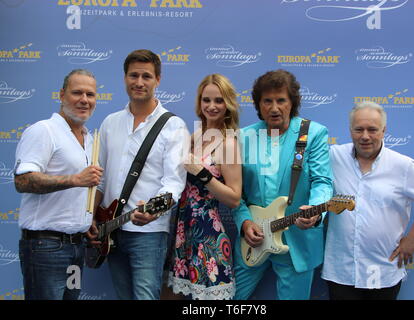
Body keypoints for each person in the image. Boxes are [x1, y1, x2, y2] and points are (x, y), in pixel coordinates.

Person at [89, 49, 189, 300]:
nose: (139, 82)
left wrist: (153, 210)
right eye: (134, 75)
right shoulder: (110, 123)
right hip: (109, 230)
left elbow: (174, 184)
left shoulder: (173, 126)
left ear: (158, 80)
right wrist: (90, 217)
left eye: (146, 76)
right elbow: (99, 180)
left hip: (149, 233)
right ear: (124, 78)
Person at [322, 101, 414, 300]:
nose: (365, 136)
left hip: (382, 269)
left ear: (384, 130)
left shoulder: (402, 166)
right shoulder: (333, 156)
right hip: (341, 271)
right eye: (358, 129)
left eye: (372, 129)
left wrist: (412, 239)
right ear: (350, 129)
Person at [232, 69, 333, 300]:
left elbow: (323, 181)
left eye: (281, 100)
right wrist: (244, 221)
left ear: (292, 102)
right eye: (267, 101)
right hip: (253, 238)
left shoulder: (313, 134)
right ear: (258, 104)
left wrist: (315, 211)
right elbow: (235, 192)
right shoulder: (243, 137)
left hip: (297, 239)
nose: (274, 108)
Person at [14, 69, 103, 300]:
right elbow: (22, 180)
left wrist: (87, 219)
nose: (84, 100)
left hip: (77, 247)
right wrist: (74, 180)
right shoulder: (43, 131)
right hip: (46, 247)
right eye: (77, 93)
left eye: (90, 94)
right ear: (61, 95)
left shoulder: (89, 139)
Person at [167, 74, 242, 300]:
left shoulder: (228, 143)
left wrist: (201, 173)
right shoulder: (194, 137)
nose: (211, 106)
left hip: (208, 235)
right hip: (183, 231)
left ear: (228, 105)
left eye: (218, 100)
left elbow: (234, 198)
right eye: (206, 100)